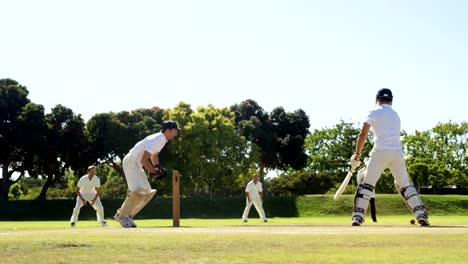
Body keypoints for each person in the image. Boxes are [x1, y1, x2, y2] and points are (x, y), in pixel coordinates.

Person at [350, 88, 429, 226]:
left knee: (367, 183)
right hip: (397, 152)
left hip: (380, 151)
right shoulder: (395, 115)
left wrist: (357, 154)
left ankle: (357, 216)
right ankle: (421, 214)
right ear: (391, 100)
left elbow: (362, 134)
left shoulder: (374, 112)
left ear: (377, 99)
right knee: (405, 184)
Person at [114, 120, 180, 228]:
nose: (176, 133)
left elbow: (154, 156)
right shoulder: (157, 139)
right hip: (131, 162)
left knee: (147, 192)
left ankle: (127, 215)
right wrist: (154, 171)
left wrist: (158, 167)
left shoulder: (163, 140)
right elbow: (144, 160)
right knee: (137, 191)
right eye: (174, 131)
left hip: (136, 164)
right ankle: (121, 216)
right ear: (168, 130)